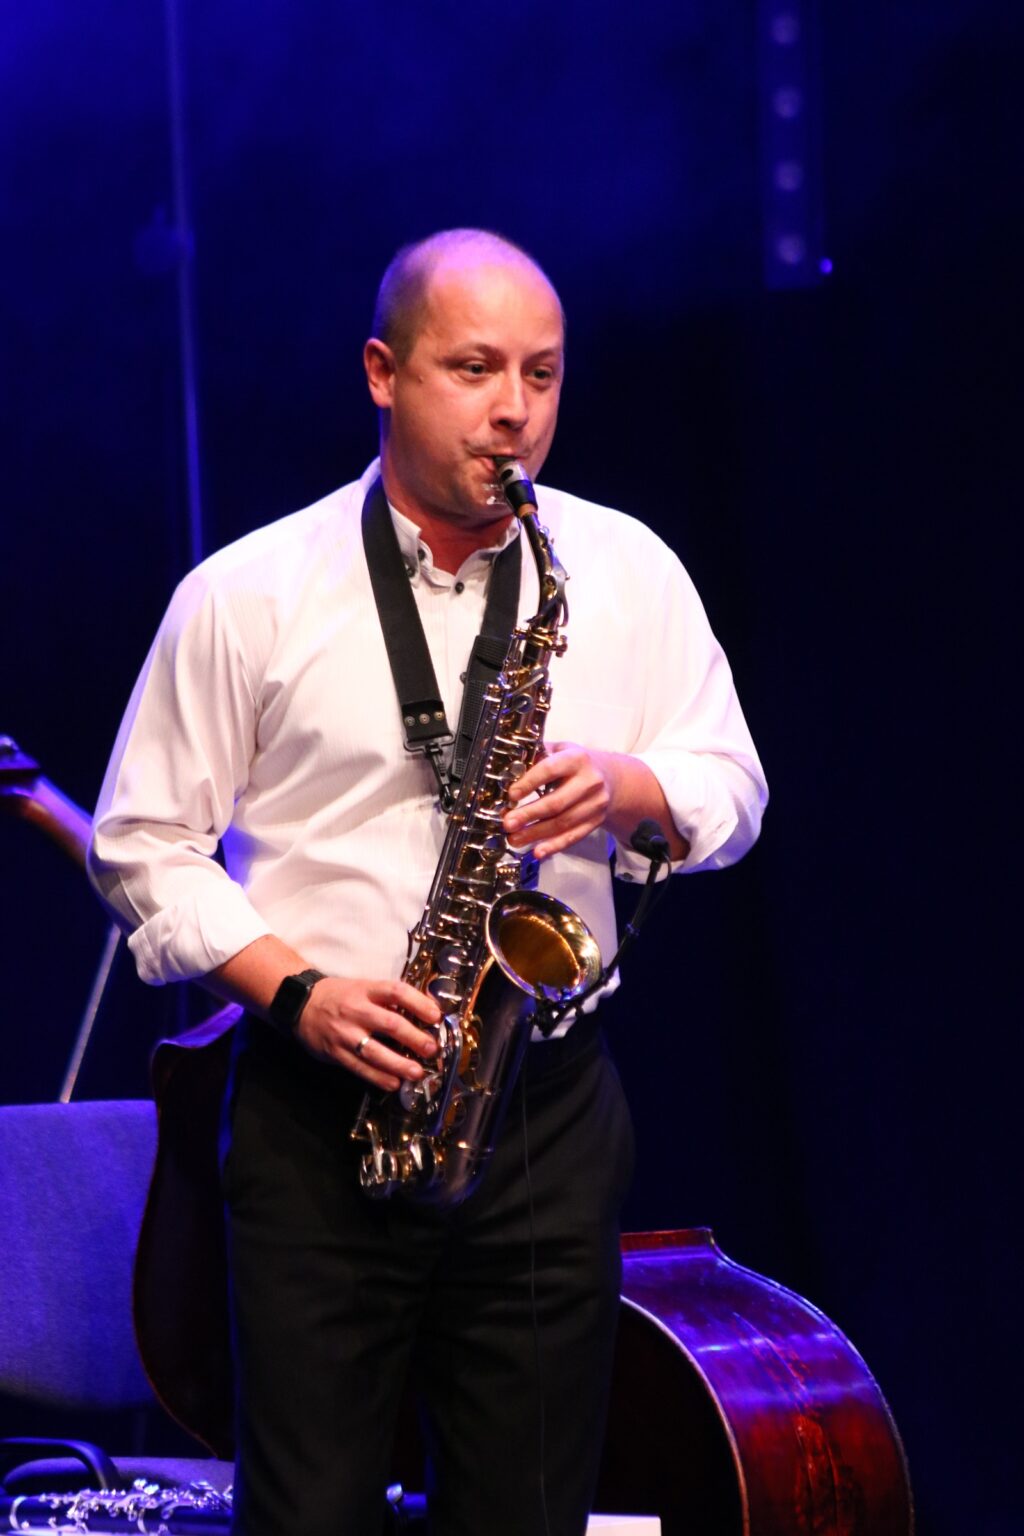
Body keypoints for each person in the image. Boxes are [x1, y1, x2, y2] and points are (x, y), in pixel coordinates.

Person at [89, 229, 767, 1536]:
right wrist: (298, 993)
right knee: (312, 1513)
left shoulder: (625, 571)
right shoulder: (250, 593)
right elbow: (141, 843)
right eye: (475, 368)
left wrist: (631, 785)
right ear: (381, 373)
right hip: (316, 1114)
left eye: (543, 374)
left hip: (543, 1112)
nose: (516, 409)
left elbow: (733, 790)